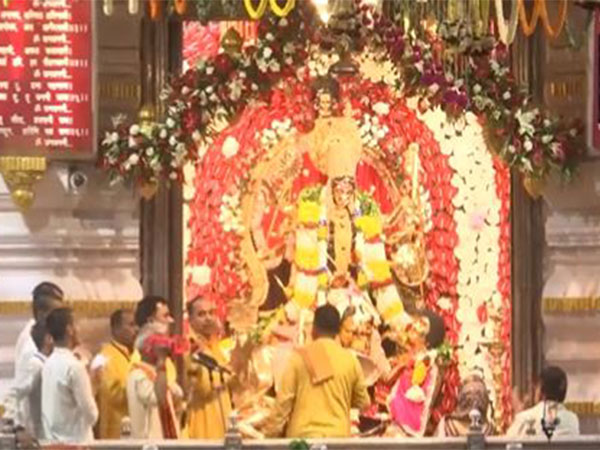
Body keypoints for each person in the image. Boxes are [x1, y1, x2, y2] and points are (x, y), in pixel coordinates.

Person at [265, 304, 370, 438]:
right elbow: (364, 402)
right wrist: (342, 394)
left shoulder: (299, 358)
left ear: (313, 330)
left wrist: (269, 438)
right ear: (338, 331)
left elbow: (283, 404)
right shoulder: (350, 360)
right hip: (337, 439)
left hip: (302, 440)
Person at [4, 282, 63, 423]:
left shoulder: (43, 335)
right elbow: (19, 391)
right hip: (34, 425)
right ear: (41, 313)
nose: (60, 318)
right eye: (56, 313)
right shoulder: (30, 344)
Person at [42, 307, 98, 443]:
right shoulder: (74, 367)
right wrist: (94, 383)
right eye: (77, 324)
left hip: (53, 442)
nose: (80, 329)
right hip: (75, 443)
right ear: (70, 330)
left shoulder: (48, 363)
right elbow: (92, 415)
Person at [186, 297, 233, 439]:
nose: (208, 318)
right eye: (201, 314)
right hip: (202, 427)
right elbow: (203, 389)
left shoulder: (215, 346)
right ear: (190, 320)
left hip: (223, 426)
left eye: (211, 313)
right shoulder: (190, 347)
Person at [127, 333, 183, 439]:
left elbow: (178, 393)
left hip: (165, 438)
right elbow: (158, 398)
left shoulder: (156, 372)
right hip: (148, 442)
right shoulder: (138, 375)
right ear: (144, 350)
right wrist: (161, 361)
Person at [92, 309, 138, 439]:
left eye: (136, 324)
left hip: (137, 428)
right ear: (115, 329)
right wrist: (141, 389)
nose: (136, 329)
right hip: (114, 432)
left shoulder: (137, 355)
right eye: (131, 324)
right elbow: (112, 394)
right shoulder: (102, 358)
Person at [507, 366, 579, 437]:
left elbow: (508, 444)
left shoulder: (525, 418)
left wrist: (518, 413)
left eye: (536, 388)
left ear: (541, 391)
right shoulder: (572, 419)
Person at [14, 321, 53, 440]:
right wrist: (18, 427)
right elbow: (14, 394)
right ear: (49, 339)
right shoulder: (35, 365)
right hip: (40, 437)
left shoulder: (51, 363)